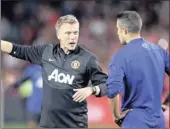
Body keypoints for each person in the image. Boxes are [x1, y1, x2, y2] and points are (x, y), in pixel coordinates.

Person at [1, 14, 108, 128]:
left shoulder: (87, 58)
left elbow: (106, 84)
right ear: (59, 34)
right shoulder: (45, 52)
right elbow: (17, 49)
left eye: (75, 32)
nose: (72, 37)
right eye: (68, 33)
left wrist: (92, 89)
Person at [106, 11, 170, 128]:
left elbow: (113, 90)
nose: (117, 32)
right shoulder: (159, 51)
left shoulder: (120, 56)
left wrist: (116, 116)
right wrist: (166, 102)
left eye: (118, 29)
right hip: (159, 121)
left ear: (124, 30)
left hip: (135, 120)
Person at [9, 64, 43, 128]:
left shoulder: (32, 69)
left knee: (32, 122)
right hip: (46, 100)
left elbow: (22, 80)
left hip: (36, 100)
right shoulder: (52, 67)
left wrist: (14, 85)